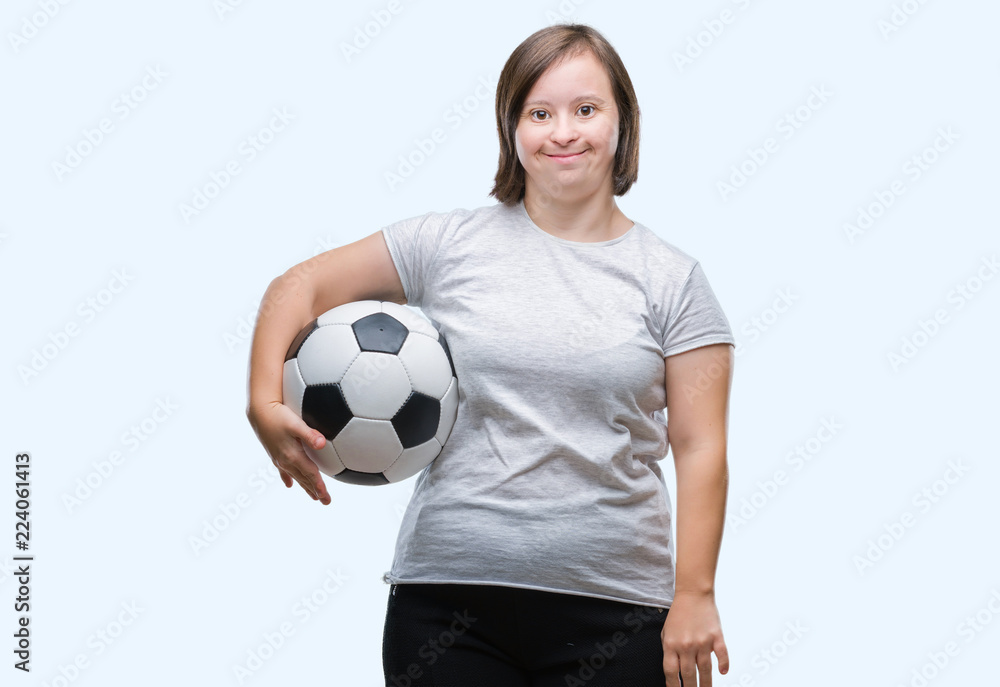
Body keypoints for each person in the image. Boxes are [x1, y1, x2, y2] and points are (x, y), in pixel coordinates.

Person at [246, 23, 734, 687]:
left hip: (619, 612)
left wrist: (695, 594)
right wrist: (262, 402)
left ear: (624, 120)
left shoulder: (672, 280)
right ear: (512, 129)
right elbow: (295, 287)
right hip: (448, 608)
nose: (563, 132)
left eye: (586, 110)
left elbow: (701, 446)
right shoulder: (445, 244)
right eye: (540, 113)